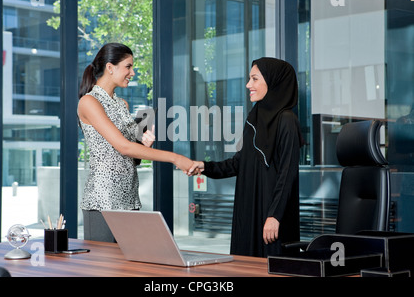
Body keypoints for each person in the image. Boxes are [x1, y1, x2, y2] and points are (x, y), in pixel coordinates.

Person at [78, 43, 193, 242]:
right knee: (103, 270)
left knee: (127, 269)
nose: (132, 72)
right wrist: (176, 158)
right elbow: (123, 147)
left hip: (129, 198)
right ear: (110, 67)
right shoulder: (89, 102)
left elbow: (128, 152)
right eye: (128, 66)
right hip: (102, 200)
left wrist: (143, 145)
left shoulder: (122, 104)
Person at [188, 57, 302, 257]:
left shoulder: (287, 120)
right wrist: (204, 166)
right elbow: (239, 163)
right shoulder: (254, 118)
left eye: (255, 79)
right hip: (249, 211)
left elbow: (287, 173)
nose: (249, 85)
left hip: (272, 216)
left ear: (273, 81)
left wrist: (275, 216)